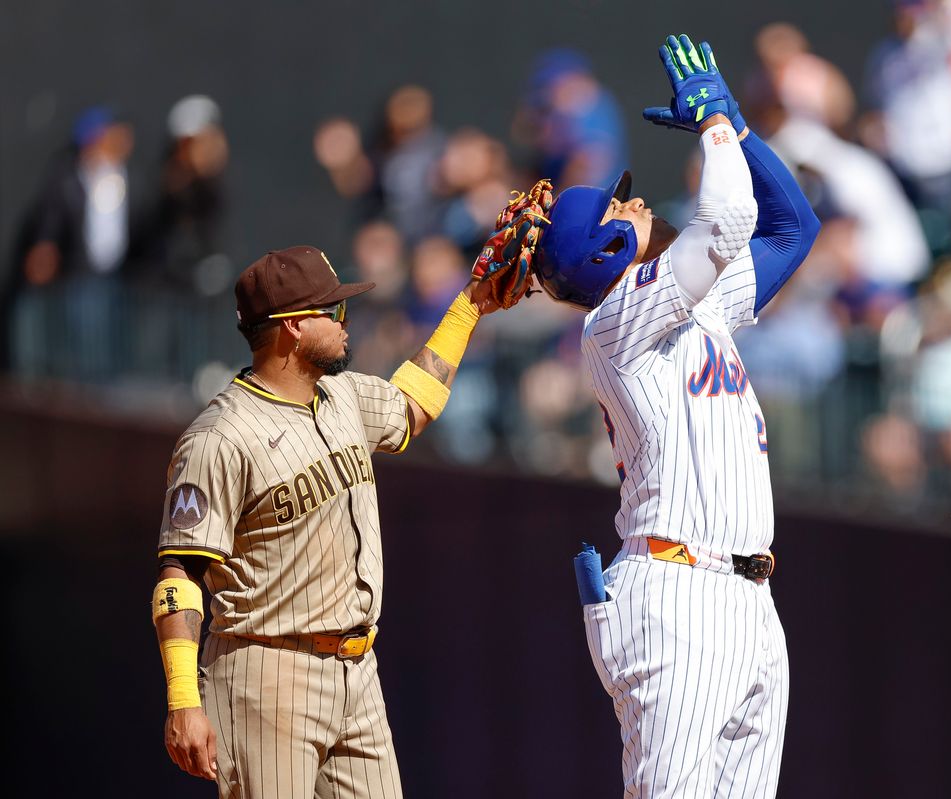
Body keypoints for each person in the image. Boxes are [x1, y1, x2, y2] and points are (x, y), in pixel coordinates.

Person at [485, 35, 819, 797]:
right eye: (621, 207)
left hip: (747, 597)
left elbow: (792, 227)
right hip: (678, 591)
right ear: (605, 252)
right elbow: (731, 217)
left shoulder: (698, 309)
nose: (636, 201)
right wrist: (713, 127)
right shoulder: (616, 324)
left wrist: (737, 126)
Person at [150, 244, 520, 797]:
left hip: (357, 670)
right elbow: (178, 576)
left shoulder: (342, 396)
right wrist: (183, 699)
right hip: (266, 674)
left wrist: (470, 304)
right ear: (293, 327)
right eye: (333, 310)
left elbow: (412, 403)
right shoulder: (219, 439)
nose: (346, 320)